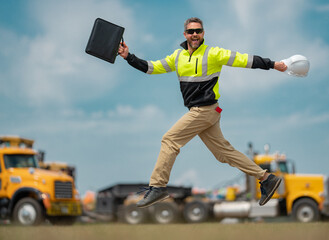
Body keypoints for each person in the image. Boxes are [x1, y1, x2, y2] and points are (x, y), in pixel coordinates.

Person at [118, 17, 287, 208]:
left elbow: (245, 60)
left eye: (198, 31)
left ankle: (157, 187)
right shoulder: (178, 57)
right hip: (205, 112)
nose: (195, 34)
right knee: (224, 153)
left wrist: (273, 64)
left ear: (203, 33)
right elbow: (152, 68)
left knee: (169, 140)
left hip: (205, 110)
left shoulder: (214, 54)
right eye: (191, 32)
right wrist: (128, 56)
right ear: (185, 35)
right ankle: (266, 178)